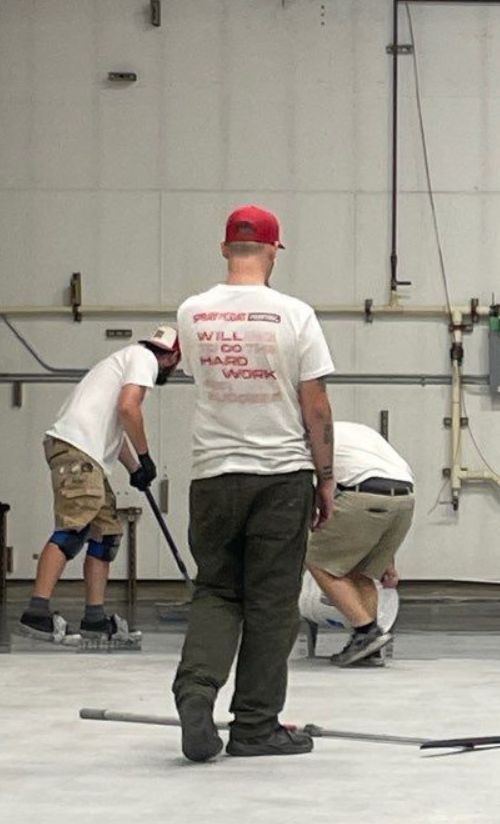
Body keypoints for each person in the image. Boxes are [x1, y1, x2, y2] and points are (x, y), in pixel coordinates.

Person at [171, 205, 336, 762]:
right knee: (271, 603)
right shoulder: (295, 315)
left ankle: (196, 693)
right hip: (280, 477)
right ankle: (255, 727)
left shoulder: (192, 313)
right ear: (272, 251)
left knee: (217, 590)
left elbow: (199, 376)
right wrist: (327, 478)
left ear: (225, 249)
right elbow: (316, 407)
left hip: (213, 475)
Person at [19, 326, 179, 648]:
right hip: (77, 451)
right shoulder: (143, 359)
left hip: (85, 453)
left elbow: (117, 428)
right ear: (172, 357)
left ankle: (94, 618)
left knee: (105, 534)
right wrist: (146, 456)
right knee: (74, 528)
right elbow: (128, 409)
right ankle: (37, 612)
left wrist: (136, 469)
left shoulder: (125, 362)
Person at [303, 421, 414, 667]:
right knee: (362, 571)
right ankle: (369, 651)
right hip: (405, 497)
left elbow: (309, 488)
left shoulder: (309, 435)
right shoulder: (359, 432)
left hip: (363, 494)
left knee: (318, 561)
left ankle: (366, 632)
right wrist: (388, 560)